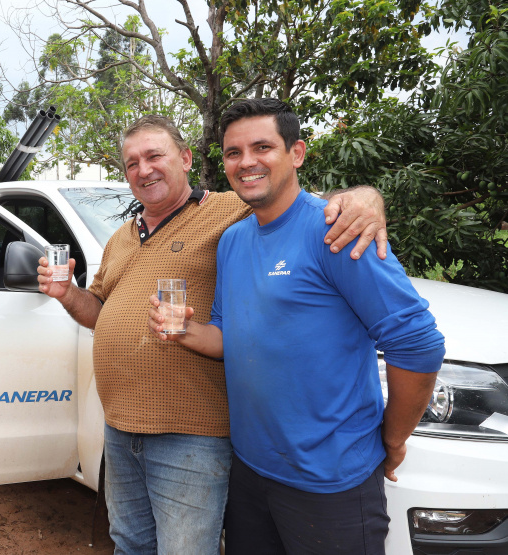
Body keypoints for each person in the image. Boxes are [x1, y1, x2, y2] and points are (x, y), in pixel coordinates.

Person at [37, 113, 389, 554]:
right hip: (120, 428)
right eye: (131, 163)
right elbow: (100, 311)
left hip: (191, 433)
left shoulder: (228, 208)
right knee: (128, 542)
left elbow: (293, 201)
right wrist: (68, 294)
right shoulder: (121, 238)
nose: (143, 170)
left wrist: (364, 198)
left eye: (154, 156)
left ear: (185, 159)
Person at [148, 98, 445, 554]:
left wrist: (393, 436)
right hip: (251, 471)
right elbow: (229, 337)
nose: (246, 162)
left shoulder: (335, 229)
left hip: (330, 482)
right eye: (233, 152)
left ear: (297, 153)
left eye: (262, 147)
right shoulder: (232, 240)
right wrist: (185, 331)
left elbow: (418, 344)